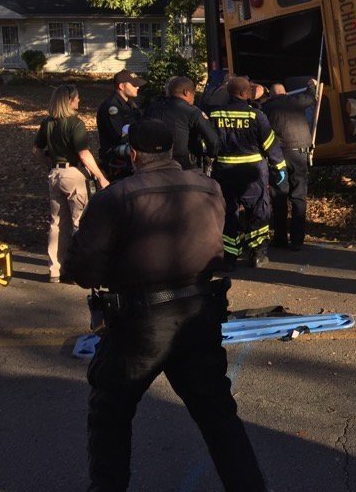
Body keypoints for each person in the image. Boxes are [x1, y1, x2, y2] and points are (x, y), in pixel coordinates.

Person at [62, 120, 266, 492]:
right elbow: (221, 240)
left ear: (134, 154)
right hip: (199, 315)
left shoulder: (116, 198)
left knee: (110, 413)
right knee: (219, 416)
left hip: (138, 323)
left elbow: (82, 269)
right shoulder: (209, 188)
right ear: (171, 150)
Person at [32, 84, 109, 283]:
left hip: (55, 174)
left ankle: (55, 269)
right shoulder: (75, 124)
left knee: (57, 222)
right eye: (76, 98)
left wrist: (49, 165)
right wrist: (100, 176)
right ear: (69, 101)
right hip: (73, 174)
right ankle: (77, 269)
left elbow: (37, 150)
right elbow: (84, 153)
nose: (79, 101)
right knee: (78, 221)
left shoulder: (47, 123)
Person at [209, 76, 287, 269]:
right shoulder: (256, 115)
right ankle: (257, 254)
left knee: (228, 213)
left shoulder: (215, 115)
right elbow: (270, 144)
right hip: (253, 173)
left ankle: (229, 256)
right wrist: (280, 167)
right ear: (244, 94)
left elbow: (207, 144)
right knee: (258, 211)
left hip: (224, 172)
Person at [261, 78, 317, 251]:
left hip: (280, 155)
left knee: (279, 197)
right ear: (285, 93)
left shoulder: (266, 108)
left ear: (271, 95)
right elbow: (311, 97)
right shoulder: (296, 102)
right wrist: (312, 85)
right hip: (300, 153)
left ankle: (280, 238)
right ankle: (297, 240)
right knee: (299, 197)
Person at [142, 76, 219, 170]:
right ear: (186, 92)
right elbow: (213, 140)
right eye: (193, 94)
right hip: (185, 165)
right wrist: (210, 155)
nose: (193, 98)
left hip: (155, 163)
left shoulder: (152, 108)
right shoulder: (193, 112)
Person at [97, 70, 144, 181]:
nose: (137, 87)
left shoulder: (130, 104)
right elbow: (119, 136)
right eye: (134, 85)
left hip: (130, 160)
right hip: (117, 163)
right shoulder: (112, 107)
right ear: (122, 86)